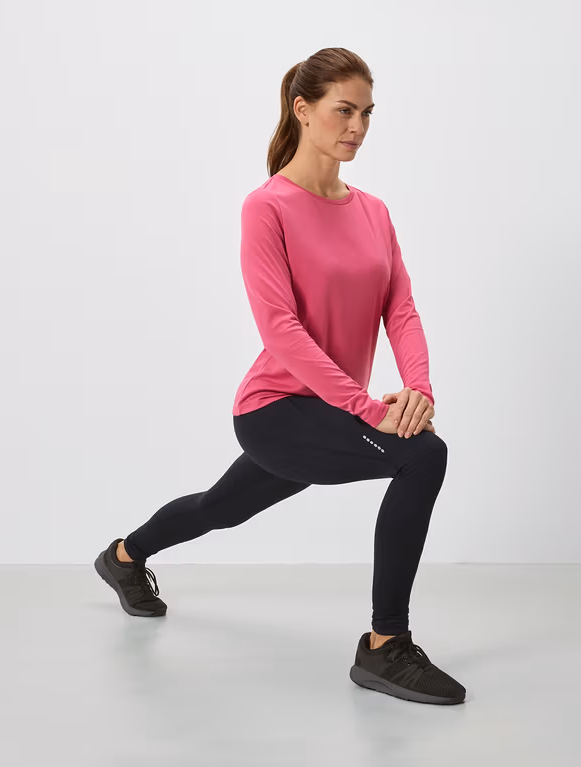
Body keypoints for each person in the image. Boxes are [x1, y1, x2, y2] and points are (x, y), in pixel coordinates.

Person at [94, 47, 466, 706]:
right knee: (422, 456)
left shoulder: (374, 211)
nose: (357, 126)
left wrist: (419, 391)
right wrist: (368, 409)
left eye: (367, 113)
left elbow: (401, 309)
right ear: (303, 109)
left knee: (219, 509)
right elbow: (281, 330)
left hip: (330, 411)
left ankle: (123, 556)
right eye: (343, 110)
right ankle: (385, 645)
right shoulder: (267, 207)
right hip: (275, 410)